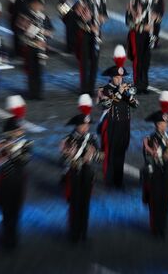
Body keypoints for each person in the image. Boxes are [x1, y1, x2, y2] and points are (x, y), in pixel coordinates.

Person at [0, 95, 32, 250]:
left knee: (16, 212)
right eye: (18, 130)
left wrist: (12, 151)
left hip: (19, 182)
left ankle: (13, 238)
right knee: (6, 213)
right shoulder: (1, 144)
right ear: (11, 131)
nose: (21, 131)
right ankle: (6, 238)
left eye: (20, 129)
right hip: (5, 181)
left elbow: (25, 160)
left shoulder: (25, 144)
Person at [60, 94, 102, 242]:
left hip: (87, 175)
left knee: (85, 205)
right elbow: (64, 160)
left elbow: (101, 157)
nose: (86, 127)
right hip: (74, 175)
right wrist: (74, 156)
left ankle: (83, 233)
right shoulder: (69, 140)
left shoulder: (92, 139)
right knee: (75, 206)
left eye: (88, 125)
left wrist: (93, 155)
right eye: (83, 125)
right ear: (77, 125)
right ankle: (73, 234)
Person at [141, 91, 168, 238]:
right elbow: (146, 156)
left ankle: (163, 228)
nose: (163, 126)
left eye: (165, 123)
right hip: (155, 172)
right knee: (155, 200)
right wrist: (158, 154)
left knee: (165, 200)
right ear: (156, 125)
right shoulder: (150, 139)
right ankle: (155, 228)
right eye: (160, 123)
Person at [97, 45, 139, 188]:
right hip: (111, 125)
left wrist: (129, 95)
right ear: (111, 77)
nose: (120, 80)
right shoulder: (104, 90)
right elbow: (108, 103)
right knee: (110, 152)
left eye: (121, 77)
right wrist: (120, 92)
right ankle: (109, 180)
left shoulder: (124, 88)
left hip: (124, 125)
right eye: (117, 77)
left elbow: (135, 105)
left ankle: (118, 180)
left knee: (121, 151)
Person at [126, 0, 162, 94]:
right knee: (138, 60)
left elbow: (159, 18)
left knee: (146, 60)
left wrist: (156, 18)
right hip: (136, 35)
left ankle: (144, 84)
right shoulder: (134, 2)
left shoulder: (153, 3)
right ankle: (137, 85)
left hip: (148, 35)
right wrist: (142, 27)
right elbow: (128, 22)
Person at [19, 0, 54, 100]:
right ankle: (32, 92)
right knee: (31, 71)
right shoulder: (25, 16)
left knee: (39, 71)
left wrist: (45, 34)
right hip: (30, 47)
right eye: (36, 4)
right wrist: (39, 32)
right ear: (32, 5)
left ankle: (38, 93)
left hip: (41, 48)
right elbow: (24, 31)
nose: (39, 7)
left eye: (40, 5)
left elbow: (51, 31)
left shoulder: (44, 17)